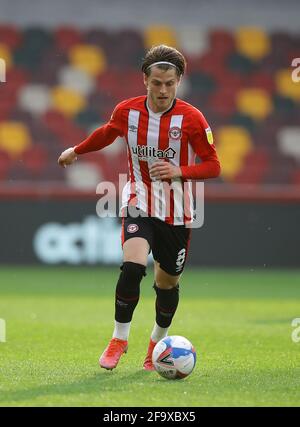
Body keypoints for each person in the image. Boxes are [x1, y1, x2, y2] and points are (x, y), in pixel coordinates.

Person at [58, 44, 221, 371]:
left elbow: (213, 165)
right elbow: (108, 133)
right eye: (157, 82)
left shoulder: (191, 118)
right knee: (132, 265)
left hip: (177, 212)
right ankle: (119, 338)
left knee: (167, 284)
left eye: (170, 83)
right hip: (139, 198)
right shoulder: (127, 112)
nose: (163, 90)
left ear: (179, 82)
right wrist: (76, 150)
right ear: (145, 80)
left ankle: (156, 345)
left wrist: (180, 171)